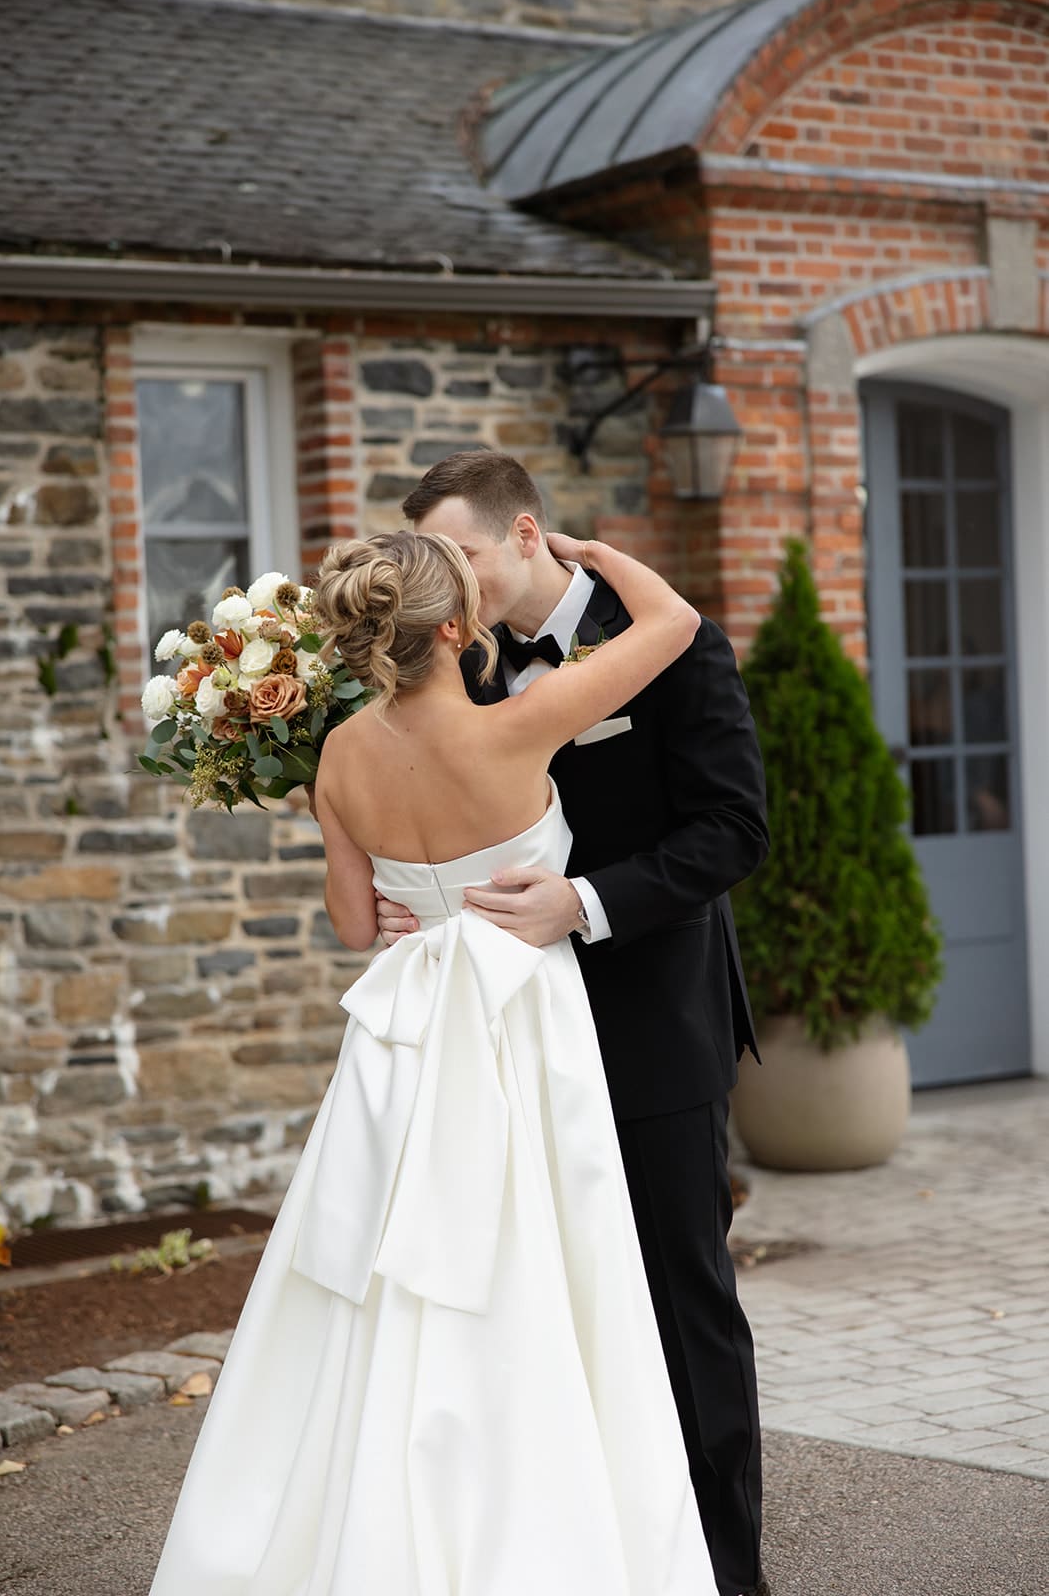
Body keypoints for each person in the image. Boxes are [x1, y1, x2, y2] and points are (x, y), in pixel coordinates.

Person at [150, 526, 718, 1594]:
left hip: (404, 1034)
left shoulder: (337, 755)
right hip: (522, 1019)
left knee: (387, 1279)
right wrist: (592, 550)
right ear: (455, 627)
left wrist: (420, 903)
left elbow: (353, 923)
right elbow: (673, 623)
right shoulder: (519, 726)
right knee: (542, 1261)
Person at [378, 452, 771, 1596]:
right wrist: (412, 895)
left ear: (523, 534)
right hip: (501, 1039)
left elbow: (731, 829)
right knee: (538, 1307)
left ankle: (723, 1570)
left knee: (678, 1302)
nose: (448, 578)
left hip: (652, 1024)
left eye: (459, 551)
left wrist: (583, 904)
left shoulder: (667, 638)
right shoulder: (451, 664)